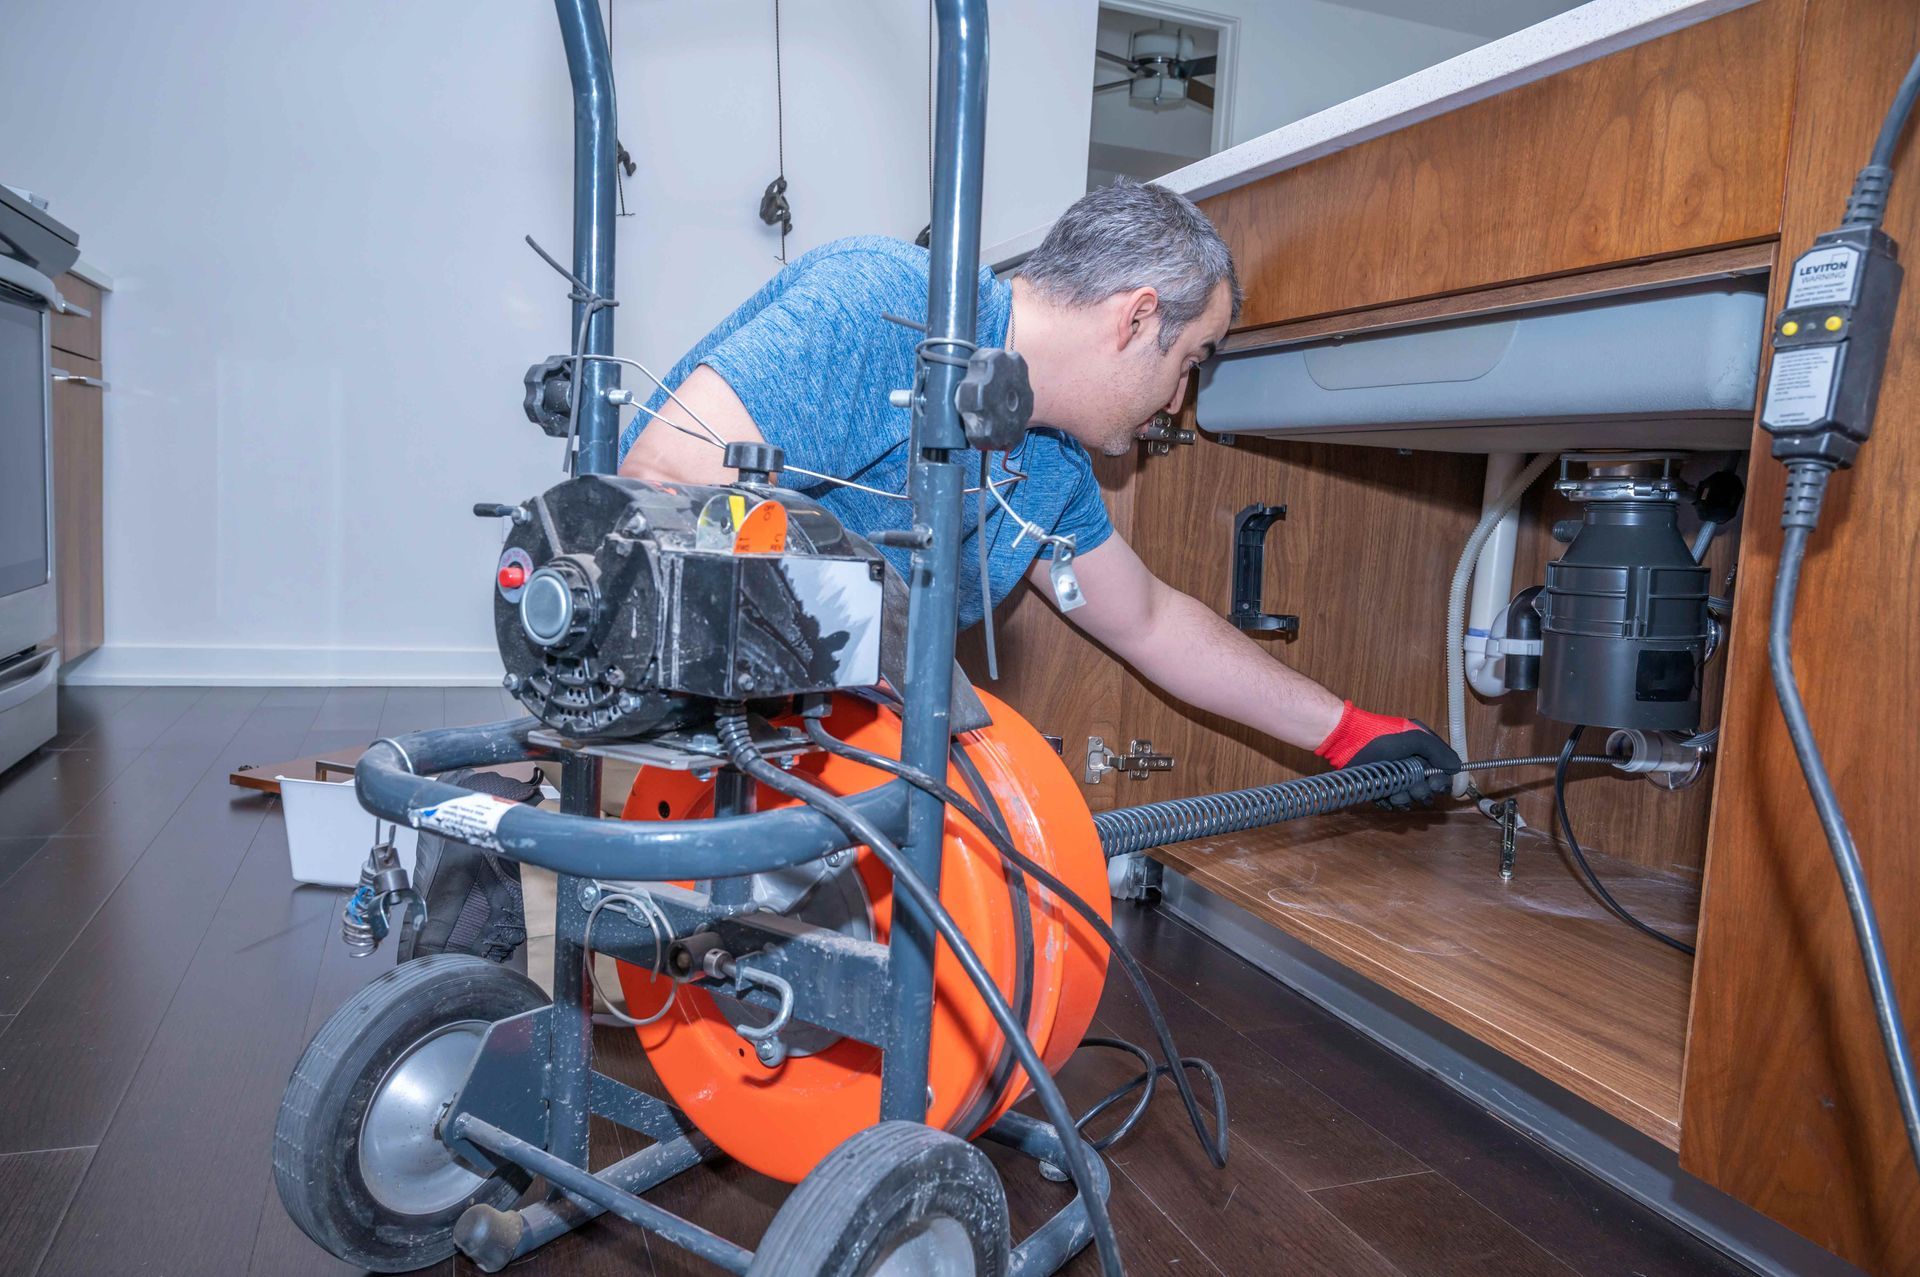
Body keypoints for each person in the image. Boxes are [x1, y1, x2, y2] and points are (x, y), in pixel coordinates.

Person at [618, 180, 1461, 804]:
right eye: (1190, 362)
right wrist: (915, 667)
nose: (1178, 400)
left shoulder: (1049, 463)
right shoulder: (891, 304)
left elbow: (1151, 621)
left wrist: (1348, 731)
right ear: (1134, 321)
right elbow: (664, 483)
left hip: (827, 767)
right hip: (691, 749)